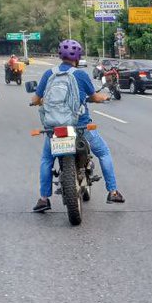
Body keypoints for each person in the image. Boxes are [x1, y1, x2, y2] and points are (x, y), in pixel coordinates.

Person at [30, 39, 124, 212]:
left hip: (55, 130)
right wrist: (103, 97)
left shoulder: (49, 74)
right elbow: (94, 97)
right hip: (80, 126)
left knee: (46, 160)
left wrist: (43, 101)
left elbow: (35, 100)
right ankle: (113, 191)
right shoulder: (80, 75)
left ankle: (43, 199)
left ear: (60, 55)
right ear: (78, 56)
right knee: (103, 153)